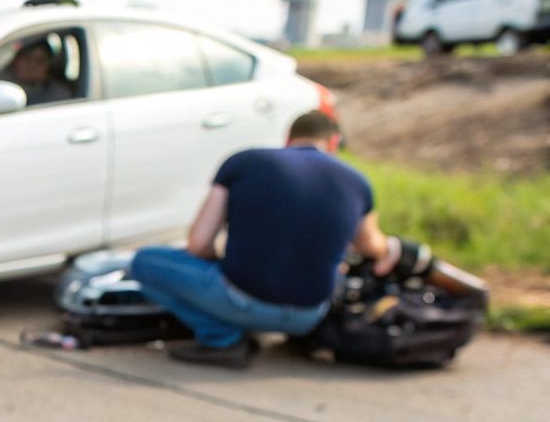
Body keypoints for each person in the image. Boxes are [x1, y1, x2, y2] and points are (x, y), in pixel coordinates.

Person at [129, 110, 400, 368]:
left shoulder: (244, 161)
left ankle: (222, 340)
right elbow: (371, 246)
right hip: (310, 315)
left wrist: (217, 261)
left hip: (241, 301)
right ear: (333, 142)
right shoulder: (358, 182)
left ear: (288, 138)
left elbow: (199, 244)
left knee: (144, 261)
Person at [6, 39, 74, 105]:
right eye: (27, 58)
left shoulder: (58, 95)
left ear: (48, 66)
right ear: (16, 61)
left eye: (40, 61)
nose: (32, 65)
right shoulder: (2, 86)